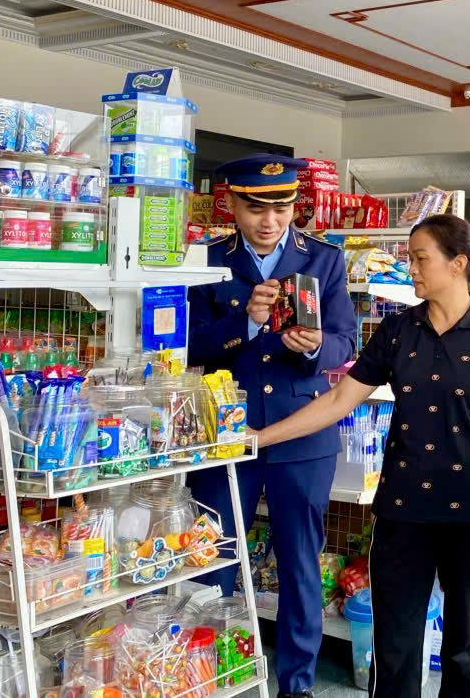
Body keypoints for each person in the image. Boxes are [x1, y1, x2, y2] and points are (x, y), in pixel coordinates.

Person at [250, 214, 470, 698]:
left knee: (462, 648)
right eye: (409, 258)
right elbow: (340, 400)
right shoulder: (398, 331)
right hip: (403, 510)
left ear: (458, 264)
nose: (411, 269)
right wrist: (261, 437)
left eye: (420, 259)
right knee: (394, 646)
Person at [186, 154, 357, 698]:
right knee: (212, 558)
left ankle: (297, 685)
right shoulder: (206, 259)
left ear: (294, 207)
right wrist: (247, 322)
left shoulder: (324, 259)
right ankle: (203, 675)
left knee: (300, 563)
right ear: (232, 205)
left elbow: (346, 340)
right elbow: (185, 344)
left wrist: (314, 349)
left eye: (281, 209)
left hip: (302, 433)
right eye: (256, 208)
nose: (270, 221)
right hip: (222, 432)